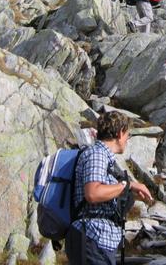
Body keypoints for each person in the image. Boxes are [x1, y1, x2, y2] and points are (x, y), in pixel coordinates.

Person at [65, 111, 153, 265]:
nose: (127, 140)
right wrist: (125, 185)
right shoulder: (97, 155)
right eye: (128, 135)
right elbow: (93, 193)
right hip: (91, 237)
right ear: (120, 133)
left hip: (97, 242)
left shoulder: (104, 158)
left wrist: (129, 187)